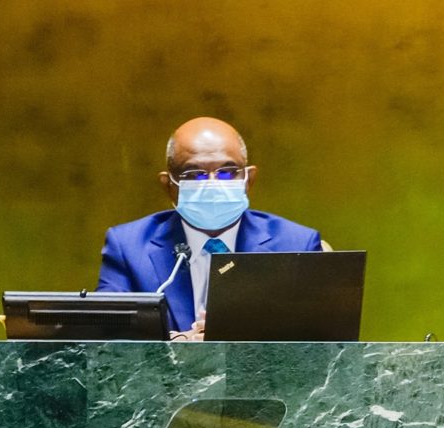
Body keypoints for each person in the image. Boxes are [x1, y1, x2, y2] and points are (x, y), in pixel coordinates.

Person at [96, 116, 322, 338]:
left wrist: (240, 338)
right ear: (169, 186)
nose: (213, 184)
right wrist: (178, 343)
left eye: (227, 172)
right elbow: (106, 336)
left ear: (248, 179)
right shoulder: (127, 246)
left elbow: (321, 340)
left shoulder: (296, 245)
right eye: (194, 175)